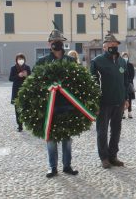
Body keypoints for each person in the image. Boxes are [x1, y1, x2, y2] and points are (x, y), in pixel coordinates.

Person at [36, 29, 79, 178]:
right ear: (49, 44)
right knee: (51, 139)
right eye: (54, 42)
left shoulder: (70, 61)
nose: (56, 44)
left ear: (63, 43)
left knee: (67, 139)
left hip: (68, 104)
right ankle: (52, 167)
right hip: (50, 106)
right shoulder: (42, 62)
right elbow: (35, 83)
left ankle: (67, 166)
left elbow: (78, 82)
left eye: (59, 42)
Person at [90, 33, 129, 169]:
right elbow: (93, 83)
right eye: (111, 45)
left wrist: (126, 99)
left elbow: (126, 82)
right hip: (103, 103)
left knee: (116, 130)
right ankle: (104, 158)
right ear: (104, 47)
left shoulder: (122, 62)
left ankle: (113, 156)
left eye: (116, 45)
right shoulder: (97, 61)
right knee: (102, 131)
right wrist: (95, 102)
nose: (114, 47)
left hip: (119, 101)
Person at [9, 53, 31, 132]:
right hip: (16, 90)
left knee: (26, 108)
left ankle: (28, 124)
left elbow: (31, 78)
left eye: (22, 59)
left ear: (24, 60)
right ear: (16, 60)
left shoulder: (27, 67)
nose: (20, 60)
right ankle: (20, 125)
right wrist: (18, 75)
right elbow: (10, 79)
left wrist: (27, 75)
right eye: (19, 59)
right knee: (17, 109)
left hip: (25, 89)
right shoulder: (13, 68)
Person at [121, 52, 135, 119]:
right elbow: (120, 74)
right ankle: (123, 113)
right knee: (122, 98)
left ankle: (129, 112)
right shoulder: (120, 65)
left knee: (129, 99)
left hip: (129, 84)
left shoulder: (130, 65)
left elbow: (132, 75)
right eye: (124, 56)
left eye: (126, 56)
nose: (125, 58)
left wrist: (128, 81)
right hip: (122, 84)